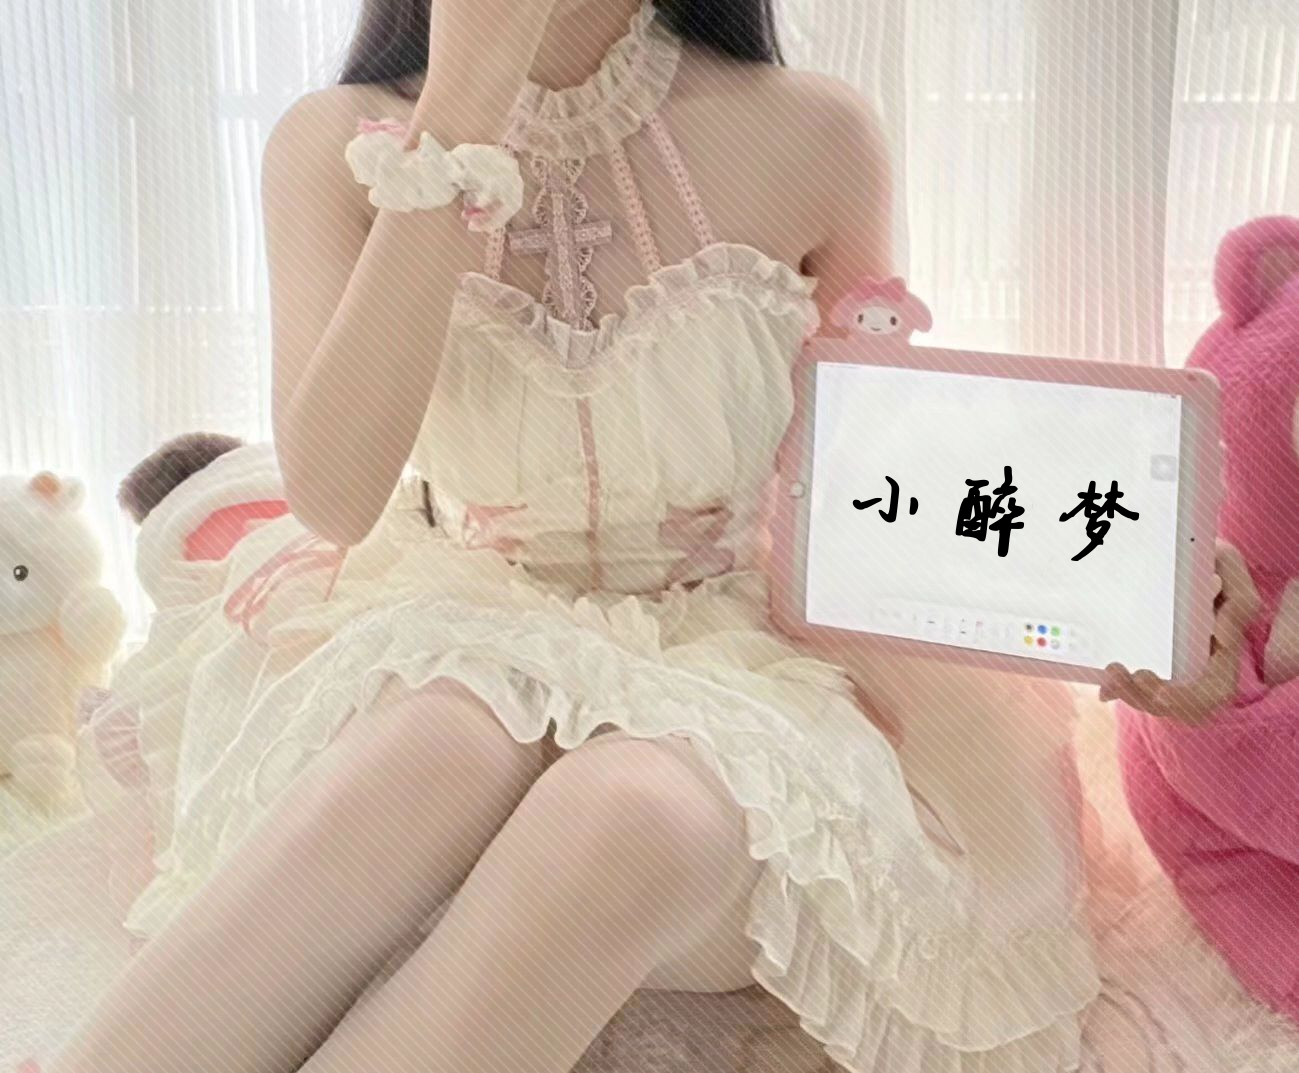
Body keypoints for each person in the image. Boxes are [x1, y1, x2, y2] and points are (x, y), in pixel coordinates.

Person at [19, 1, 1225, 1070]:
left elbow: (880, 474)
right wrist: (461, 106)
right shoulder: (335, 144)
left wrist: (1114, 588)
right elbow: (336, 493)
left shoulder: (815, 130)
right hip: (453, 619)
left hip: (729, 662)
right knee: (441, 739)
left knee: (628, 810)